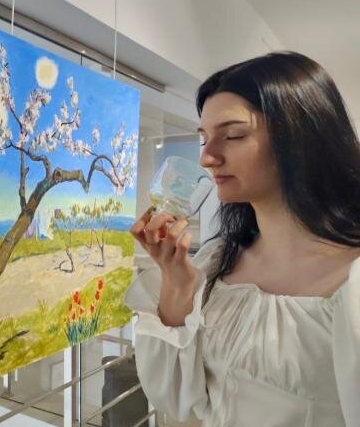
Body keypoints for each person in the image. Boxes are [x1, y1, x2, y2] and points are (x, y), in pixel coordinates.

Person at [125, 51, 360, 426]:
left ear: (300, 137)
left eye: (233, 135)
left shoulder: (352, 280)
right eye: (204, 138)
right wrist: (176, 282)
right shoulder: (218, 259)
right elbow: (175, 398)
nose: (207, 157)